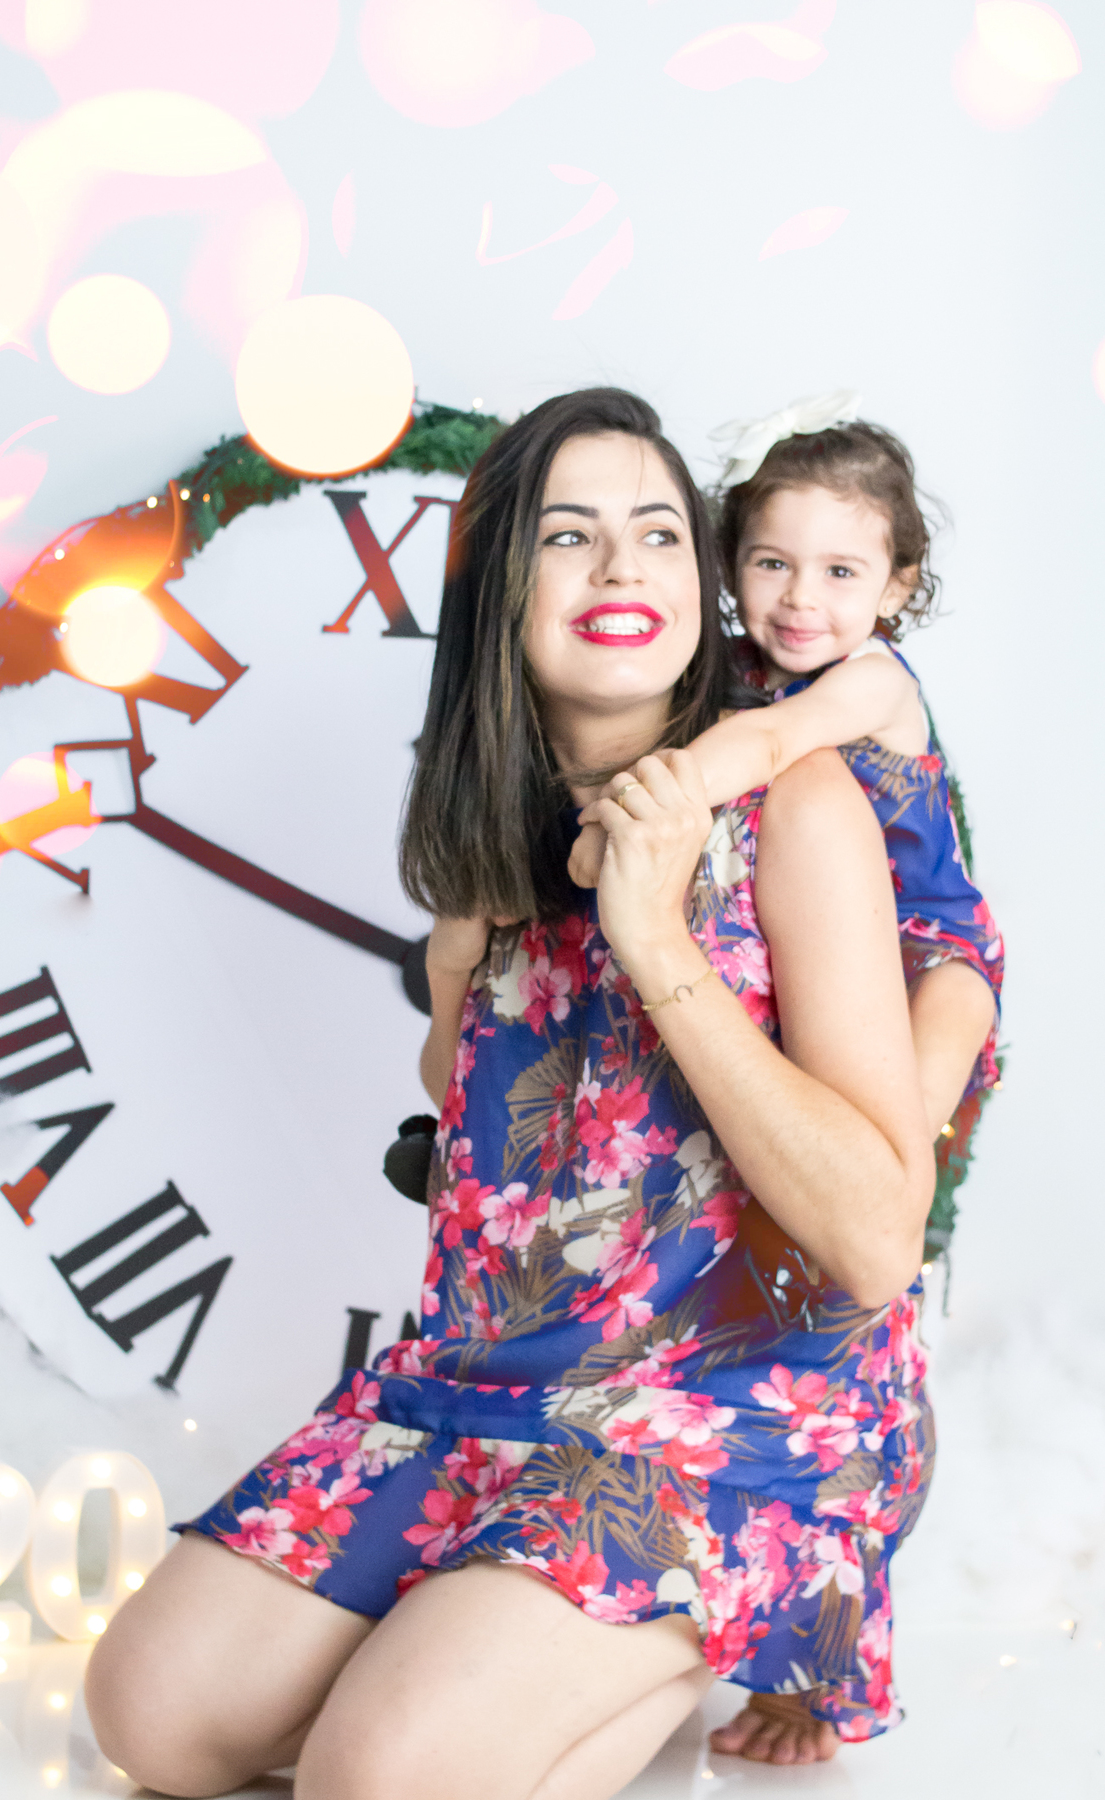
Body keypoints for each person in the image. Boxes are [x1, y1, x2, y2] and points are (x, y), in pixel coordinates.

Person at [84, 388, 941, 1796]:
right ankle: (537, 1659)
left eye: (659, 533)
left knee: (382, 1773)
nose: (621, 568)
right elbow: (492, 1139)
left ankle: (682, 1639)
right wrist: (461, 975)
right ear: (501, 594)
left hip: (727, 1416)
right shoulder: (487, 845)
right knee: (156, 1719)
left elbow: (872, 1240)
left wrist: (658, 945)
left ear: (701, 583)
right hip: (483, 1392)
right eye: (569, 535)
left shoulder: (798, 808)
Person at [571, 394, 1002, 1154]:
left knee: (897, 1133)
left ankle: (896, 1202)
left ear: (896, 586)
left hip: (923, 939)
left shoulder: (873, 681)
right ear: (731, 565)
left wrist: (620, 821)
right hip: (812, 940)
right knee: (788, 1121)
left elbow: (771, 742)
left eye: (841, 571)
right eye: (773, 563)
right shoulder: (724, 669)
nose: (802, 596)